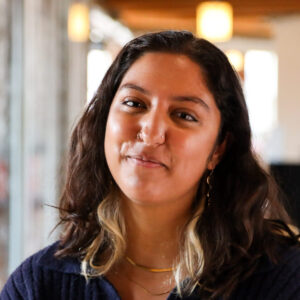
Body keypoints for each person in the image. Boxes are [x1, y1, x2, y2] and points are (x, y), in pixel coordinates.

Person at [1, 30, 300, 300]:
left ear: (218, 149)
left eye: (184, 115)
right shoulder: (38, 285)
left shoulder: (283, 281)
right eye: (134, 103)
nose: (151, 132)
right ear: (105, 120)